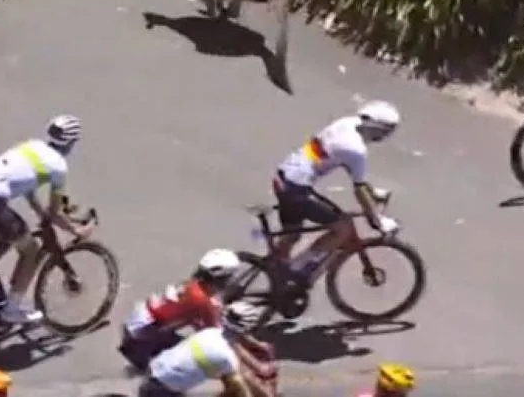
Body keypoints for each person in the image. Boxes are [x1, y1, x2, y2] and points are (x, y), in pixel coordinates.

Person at [0, 115, 92, 324]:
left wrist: (41, 214)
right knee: (31, 251)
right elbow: (55, 213)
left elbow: (28, 189)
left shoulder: (33, 146)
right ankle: (11, 310)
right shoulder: (58, 167)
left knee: (11, 236)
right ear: (71, 142)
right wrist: (76, 231)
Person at [270, 101, 401, 286]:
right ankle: (298, 268)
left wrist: (371, 192)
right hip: (296, 187)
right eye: (386, 131)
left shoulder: (346, 123)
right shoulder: (356, 149)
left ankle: (271, 272)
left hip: (284, 176)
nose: (385, 136)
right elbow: (359, 189)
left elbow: (350, 168)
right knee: (343, 227)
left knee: (292, 234)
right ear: (375, 127)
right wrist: (376, 221)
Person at [119, 248, 241, 372]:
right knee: (195, 357)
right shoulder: (202, 301)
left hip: (138, 324)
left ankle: (145, 364)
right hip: (142, 334)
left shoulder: (193, 285)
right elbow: (215, 333)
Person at [140, 301, 277, 397]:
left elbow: (234, 347)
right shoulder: (227, 358)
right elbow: (240, 389)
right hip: (164, 389)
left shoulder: (210, 333)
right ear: (247, 329)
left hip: (155, 370)